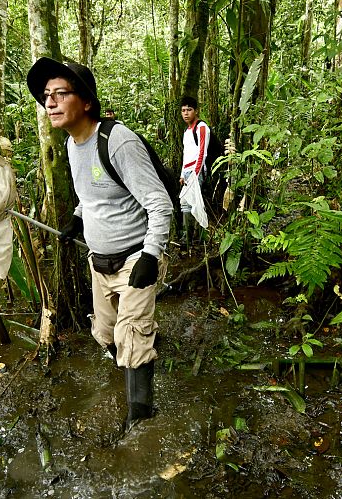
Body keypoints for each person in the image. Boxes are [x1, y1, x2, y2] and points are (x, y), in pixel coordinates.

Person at [26, 57, 173, 430]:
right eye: (46, 95)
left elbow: (159, 203)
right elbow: (95, 196)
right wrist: (77, 220)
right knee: (106, 335)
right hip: (99, 262)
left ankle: (141, 424)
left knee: (132, 341)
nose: (51, 103)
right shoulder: (73, 144)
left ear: (86, 101)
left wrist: (151, 256)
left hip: (135, 259)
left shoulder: (118, 141)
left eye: (61, 93)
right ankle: (139, 353)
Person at [179, 95, 210, 249]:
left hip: (196, 171)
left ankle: (196, 239)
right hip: (187, 172)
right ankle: (187, 238)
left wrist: (195, 174)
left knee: (195, 205)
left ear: (196, 111)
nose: (186, 113)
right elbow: (186, 154)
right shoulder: (187, 131)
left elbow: (202, 153)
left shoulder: (202, 127)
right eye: (183, 110)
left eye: (189, 110)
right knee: (185, 204)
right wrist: (182, 174)